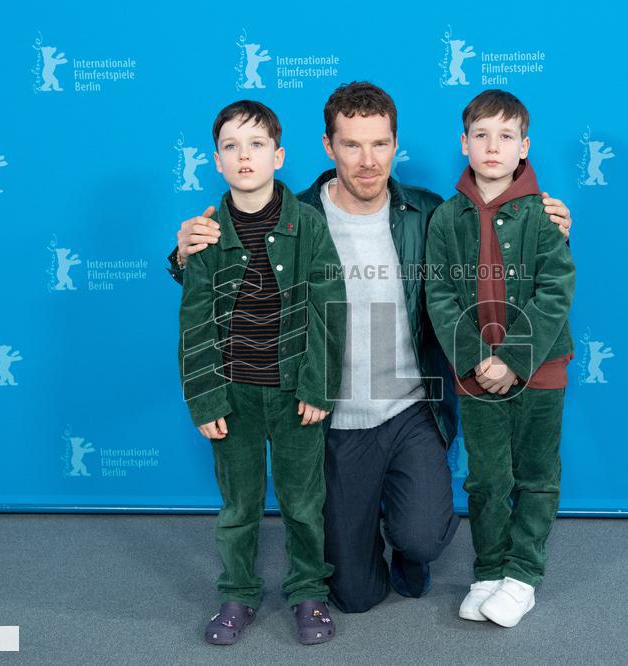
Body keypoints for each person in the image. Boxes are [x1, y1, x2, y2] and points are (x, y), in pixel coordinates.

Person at [170, 82, 574, 614]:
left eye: (380, 144)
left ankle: (411, 533)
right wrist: (181, 254)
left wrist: (550, 224)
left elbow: (495, 234)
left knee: (424, 536)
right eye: (352, 145)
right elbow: (230, 274)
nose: (367, 161)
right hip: (330, 416)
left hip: (409, 410)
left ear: (395, 145)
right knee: (354, 595)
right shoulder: (296, 216)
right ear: (327, 146)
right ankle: (364, 527)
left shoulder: (429, 213)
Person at [179, 99, 346, 645]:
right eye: (231, 146)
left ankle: (308, 592)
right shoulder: (204, 234)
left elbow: (329, 309)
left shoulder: (309, 226)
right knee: (239, 503)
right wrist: (205, 398)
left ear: (278, 155)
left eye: (255, 145)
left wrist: (319, 386)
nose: (243, 156)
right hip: (233, 395)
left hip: (296, 391)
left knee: (303, 501)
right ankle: (238, 593)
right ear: (217, 161)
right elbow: (195, 321)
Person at [425, 89, 575, 628]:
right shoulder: (446, 218)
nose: (493, 146)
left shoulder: (544, 214)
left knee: (535, 473)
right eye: (481, 135)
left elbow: (556, 288)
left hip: (540, 370)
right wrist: (475, 359)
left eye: (506, 136)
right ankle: (488, 570)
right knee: (487, 477)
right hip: (475, 376)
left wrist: (514, 357)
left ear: (524, 147)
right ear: (464, 143)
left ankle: (523, 575)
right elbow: (438, 293)